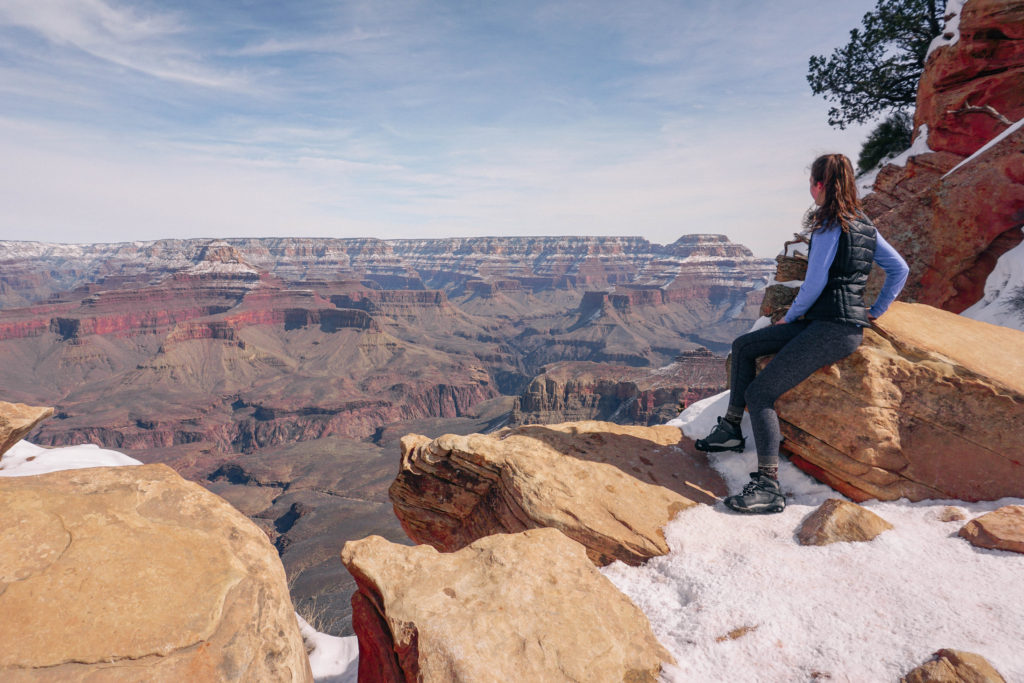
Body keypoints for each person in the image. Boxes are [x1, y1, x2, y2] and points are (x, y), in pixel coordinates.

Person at [694, 153, 909, 514]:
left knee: (760, 393)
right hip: (835, 325)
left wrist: (789, 317)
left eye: (811, 183)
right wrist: (874, 310)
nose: (810, 189)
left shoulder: (828, 224)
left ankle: (768, 486)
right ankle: (731, 430)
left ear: (819, 185)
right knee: (745, 345)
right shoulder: (864, 224)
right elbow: (898, 269)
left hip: (830, 329)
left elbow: (814, 283)